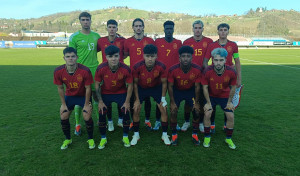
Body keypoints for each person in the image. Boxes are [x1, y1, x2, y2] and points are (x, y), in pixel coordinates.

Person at [203, 23, 242, 133]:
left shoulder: (233, 45)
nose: (223, 32)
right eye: (221, 30)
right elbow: (205, 61)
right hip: (214, 77)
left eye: (225, 30)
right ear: (218, 31)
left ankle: (226, 124)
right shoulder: (211, 45)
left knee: (227, 102)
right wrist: (210, 72)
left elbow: (237, 61)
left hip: (229, 78)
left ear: (228, 31)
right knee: (212, 100)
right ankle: (212, 124)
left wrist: (239, 78)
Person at [53, 47, 95, 150]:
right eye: (68, 57)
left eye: (73, 56)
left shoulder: (85, 70)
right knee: (63, 116)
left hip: (83, 96)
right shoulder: (58, 71)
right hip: (70, 96)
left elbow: (88, 88)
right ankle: (68, 139)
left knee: (86, 116)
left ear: (77, 57)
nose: (70, 58)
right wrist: (63, 105)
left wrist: (86, 104)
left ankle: (90, 139)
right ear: (64, 58)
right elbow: (60, 88)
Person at [131, 44, 171, 146]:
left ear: (156, 56)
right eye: (147, 56)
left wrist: (163, 98)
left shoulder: (161, 66)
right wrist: (136, 99)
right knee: (136, 109)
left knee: (163, 108)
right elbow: (134, 83)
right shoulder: (137, 66)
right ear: (143, 55)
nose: (150, 59)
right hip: (141, 88)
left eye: (152, 56)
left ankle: (165, 134)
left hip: (155, 88)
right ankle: (136, 134)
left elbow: (164, 83)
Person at [94, 45, 133, 149]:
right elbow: (97, 85)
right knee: (102, 112)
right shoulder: (101, 68)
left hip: (121, 92)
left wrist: (127, 101)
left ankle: (125, 136)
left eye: (116, 56)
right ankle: (103, 138)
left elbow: (130, 85)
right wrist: (100, 101)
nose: (114, 59)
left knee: (125, 111)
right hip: (106, 93)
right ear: (106, 57)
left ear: (119, 56)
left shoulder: (125, 68)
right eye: (110, 56)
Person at [69, 12, 101, 136]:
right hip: (80, 72)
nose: (86, 22)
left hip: (94, 70)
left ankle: (99, 120)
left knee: (96, 96)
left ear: (91, 21)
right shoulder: (74, 37)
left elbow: (99, 48)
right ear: (80, 22)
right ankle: (77, 124)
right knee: (80, 98)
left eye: (87, 19)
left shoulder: (96, 36)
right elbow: (71, 54)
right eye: (83, 20)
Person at [202, 48, 237, 149]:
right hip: (211, 96)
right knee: (207, 113)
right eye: (216, 60)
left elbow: (233, 87)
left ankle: (229, 138)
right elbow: (205, 87)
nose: (218, 63)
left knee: (230, 116)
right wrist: (208, 103)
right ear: (212, 60)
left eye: (221, 60)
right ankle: (207, 137)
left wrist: (230, 102)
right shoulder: (207, 71)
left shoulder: (231, 72)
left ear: (226, 60)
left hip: (224, 96)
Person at [124, 18, 155, 130]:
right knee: (133, 99)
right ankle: (133, 121)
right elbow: (124, 55)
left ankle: (147, 120)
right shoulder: (127, 41)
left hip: (147, 74)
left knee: (147, 99)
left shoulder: (150, 40)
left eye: (140, 26)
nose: (138, 28)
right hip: (133, 74)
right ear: (133, 27)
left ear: (143, 27)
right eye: (136, 26)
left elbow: (154, 57)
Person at [182, 20, 213, 133]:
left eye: (200, 28)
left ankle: (200, 122)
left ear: (203, 29)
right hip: (189, 77)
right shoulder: (186, 42)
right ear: (193, 29)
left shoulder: (209, 41)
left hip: (203, 76)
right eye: (196, 28)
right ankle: (186, 121)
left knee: (200, 100)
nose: (197, 30)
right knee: (188, 101)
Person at [168, 46, 202, 146]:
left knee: (196, 111)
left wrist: (196, 102)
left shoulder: (197, 69)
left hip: (190, 92)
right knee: (173, 110)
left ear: (192, 57)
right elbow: (170, 86)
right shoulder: (173, 69)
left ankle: (195, 134)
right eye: (183, 56)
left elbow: (197, 87)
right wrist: (172, 102)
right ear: (179, 57)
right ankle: (174, 135)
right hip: (177, 91)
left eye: (188, 56)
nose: (186, 58)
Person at [97, 19, 125, 130]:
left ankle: (120, 120)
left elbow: (126, 53)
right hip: (105, 73)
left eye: (114, 27)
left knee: (120, 96)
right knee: (106, 98)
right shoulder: (101, 41)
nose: (112, 29)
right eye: (110, 27)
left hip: (119, 72)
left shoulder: (122, 41)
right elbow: (96, 50)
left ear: (117, 29)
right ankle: (110, 122)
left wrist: (118, 62)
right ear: (107, 28)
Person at [154, 21, 182, 131]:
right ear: (164, 29)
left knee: (174, 100)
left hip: (174, 77)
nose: (169, 30)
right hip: (160, 76)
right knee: (159, 100)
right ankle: (157, 121)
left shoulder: (179, 43)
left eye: (171, 28)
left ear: (173, 29)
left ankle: (174, 121)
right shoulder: (158, 41)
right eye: (167, 28)